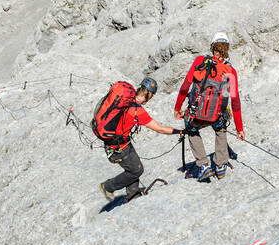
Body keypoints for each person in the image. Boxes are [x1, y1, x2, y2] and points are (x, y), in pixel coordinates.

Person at [97, 76, 181, 204]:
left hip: (115, 142)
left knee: (134, 165)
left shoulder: (126, 100)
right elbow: (159, 129)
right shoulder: (137, 111)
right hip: (119, 147)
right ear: (148, 95)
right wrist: (180, 131)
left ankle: (133, 194)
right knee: (137, 170)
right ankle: (108, 186)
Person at [174, 36, 245, 181]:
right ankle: (220, 166)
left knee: (191, 130)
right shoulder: (230, 71)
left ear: (213, 46)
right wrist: (239, 129)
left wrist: (177, 108)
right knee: (220, 130)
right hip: (216, 116)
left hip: (196, 114)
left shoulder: (200, 61)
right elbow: (235, 101)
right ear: (227, 49)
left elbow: (185, 86)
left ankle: (203, 165)